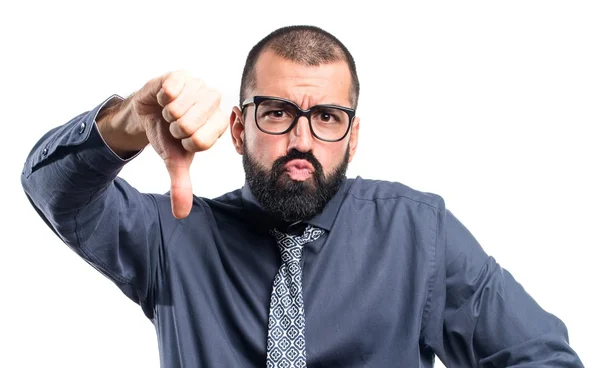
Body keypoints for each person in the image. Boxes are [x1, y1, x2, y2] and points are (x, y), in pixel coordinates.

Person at [21, 25, 583, 368]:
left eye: (327, 117)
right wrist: (127, 119)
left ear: (354, 136)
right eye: (278, 112)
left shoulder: (420, 233)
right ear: (240, 129)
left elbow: (538, 357)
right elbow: (52, 190)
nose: (301, 140)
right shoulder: (174, 233)